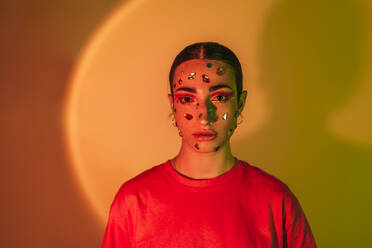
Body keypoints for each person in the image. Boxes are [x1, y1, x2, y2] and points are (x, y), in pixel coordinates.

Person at [101, 42, 317, 247]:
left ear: (240, 104)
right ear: (172, 104)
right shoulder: (133, 202)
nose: (204, 115)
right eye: (187, 99)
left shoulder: (275, 200)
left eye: (220, 97)